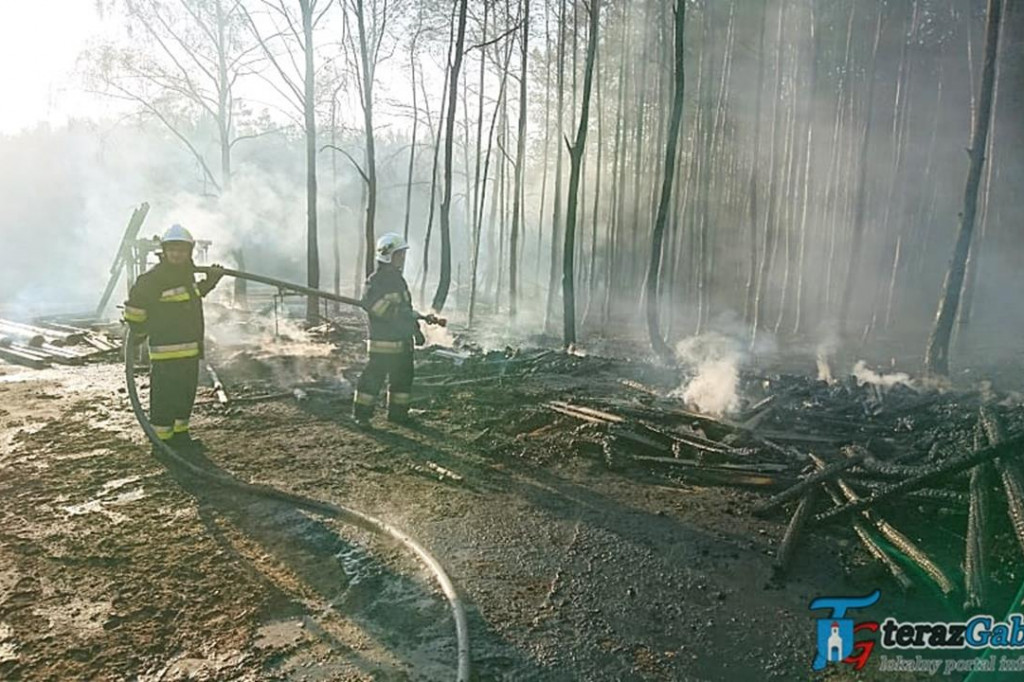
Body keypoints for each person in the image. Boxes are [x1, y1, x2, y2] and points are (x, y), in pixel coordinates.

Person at [123, 224, 224, 450]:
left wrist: (211, 281)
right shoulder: (152, 280)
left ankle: (181, 437)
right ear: (164, 251)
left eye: (182, 250)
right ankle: (162, 442)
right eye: (172, 250)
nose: (177, 254)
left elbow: (191, 295)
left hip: (189, 351)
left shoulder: (186, 275)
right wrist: (140, 331)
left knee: (185, 396)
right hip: (165, 351)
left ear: (189, 252)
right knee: (164, 398)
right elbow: (134, 312)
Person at [353, 233, 444, 427]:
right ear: (387, 255)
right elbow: (374, 307)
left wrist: (416, 330)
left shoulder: (399, 280)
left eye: (402, 254)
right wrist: (399, 315)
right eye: (399, 254)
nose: (402, 258)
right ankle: (362, 415)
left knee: (402, 381)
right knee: (373, 379)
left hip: (403, 343)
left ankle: (398, 414)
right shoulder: (375, 281)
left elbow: (407, 310)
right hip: (383, 344)